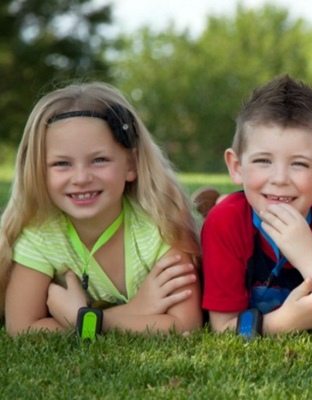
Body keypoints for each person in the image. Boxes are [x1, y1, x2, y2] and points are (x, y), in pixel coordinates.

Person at [1, 82, 202, 336]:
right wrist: (136, 311)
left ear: (131, 164)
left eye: (99, 160)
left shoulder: (160, 226)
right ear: (39, 171)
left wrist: (85, 320)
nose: (81, 177)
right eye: (62, 163)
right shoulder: (41, 236)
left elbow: (186, 324)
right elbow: (21, 328)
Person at [201, 75, 312, 335]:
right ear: (237, 167)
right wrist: (286, 322)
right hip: (233, 212)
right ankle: (215, 201)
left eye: (299, 164)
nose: (280, 179)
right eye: (263, 161)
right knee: (224, 208)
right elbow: (223, 326)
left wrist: (309, 255)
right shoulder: (224, 223)